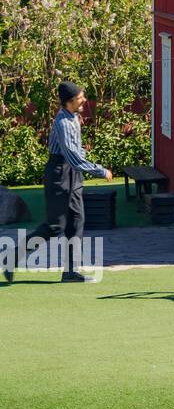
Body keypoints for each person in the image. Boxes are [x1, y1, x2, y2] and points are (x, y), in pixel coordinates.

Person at [4, 81, 112, 283]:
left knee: (76, 221)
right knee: (55, 225)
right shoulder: (62, 123)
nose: (84, 100)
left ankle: (70, 272)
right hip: (59, 173)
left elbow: (77, 150)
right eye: (80, 98)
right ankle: (13, 257)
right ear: (69, 101)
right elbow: (72, 157)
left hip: (73, 174)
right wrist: (100, 170)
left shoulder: (74, 117)